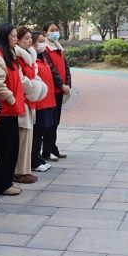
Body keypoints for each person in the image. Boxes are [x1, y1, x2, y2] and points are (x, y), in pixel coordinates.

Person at [0, 24, 26, 196]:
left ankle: (7, 182)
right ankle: (1, 185)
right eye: (13, 36)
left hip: (12, 110)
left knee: (12, 149)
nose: (16, 38)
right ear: (5, 37)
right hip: (5, 111)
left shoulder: (10, 55)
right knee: (4, 150)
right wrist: (12, 99)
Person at [13, 26, 47, 184]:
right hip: (22, 100)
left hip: (30, 100)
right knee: (23, 137)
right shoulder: (16, 56)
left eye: (29, 38)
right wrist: (32, 88)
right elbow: (20, 79)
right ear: (18, 40)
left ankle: (25, 170)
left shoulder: (30, 56)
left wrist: (36, 85)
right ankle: (19, 171)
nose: (29, 41)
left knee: (28, 136)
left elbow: (35, 75)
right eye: (26, 38)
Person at [41, 21, 71, 162]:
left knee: (56, 122)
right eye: (52, 30)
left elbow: (66, 68)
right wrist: (61, 85)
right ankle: (47, 152)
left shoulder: (58, 47)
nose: (55, 32)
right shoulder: (45, 49)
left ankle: (53, 149)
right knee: (50, 123)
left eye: (57, 29)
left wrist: (68, 84)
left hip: (60, 90)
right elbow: (52, 70)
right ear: (45, 32)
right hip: (51, 91)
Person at [31, 32, 56, 173]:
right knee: (36, 133)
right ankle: (33, 160)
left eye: (43, 41)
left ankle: (38, 157)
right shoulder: (32, 60)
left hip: (47, 101)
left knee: (42, 132)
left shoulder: (43, 57)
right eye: (40, 41)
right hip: (39, 102)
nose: (43, 44)